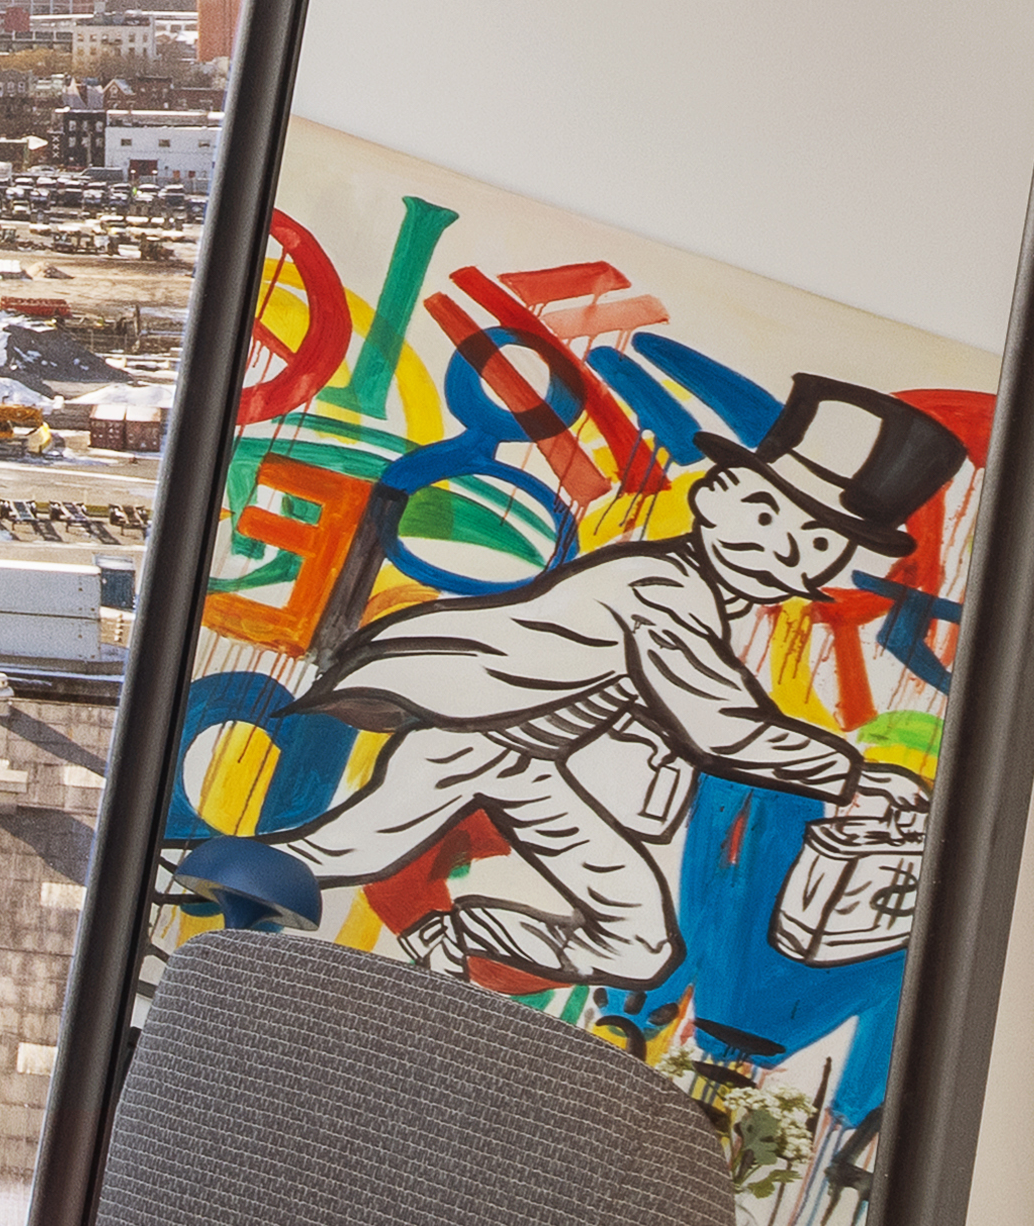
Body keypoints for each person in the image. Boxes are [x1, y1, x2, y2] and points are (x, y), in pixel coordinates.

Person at [213, 366, 964, 994]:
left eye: (815, 540)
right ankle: (219, 903)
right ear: (717, 492)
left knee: (640, 944)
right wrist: (848, 774)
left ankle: (461, 934)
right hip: (467, 740)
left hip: (537, 768)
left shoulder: (708, 601)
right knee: (342, 852)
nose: (776, 544)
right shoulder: (660, 587)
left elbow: (667, 720)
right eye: (764, 508)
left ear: (829, 567)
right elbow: (720, 726)